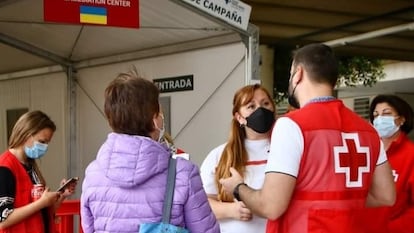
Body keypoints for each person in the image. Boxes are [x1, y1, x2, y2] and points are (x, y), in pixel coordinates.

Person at [219, 43, 396, 233]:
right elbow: (386, 195)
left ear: (298, 74)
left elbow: (271, 206)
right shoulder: (367, 130)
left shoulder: (291, 125)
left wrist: (238, 187)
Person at [80, 69, 219, 233]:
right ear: (154, 120)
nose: (162, 117)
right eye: (160, 113)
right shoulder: (183, 173)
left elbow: (88, 228)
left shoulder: (93, 173)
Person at [200, 84, 276, 233]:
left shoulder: (285, 150)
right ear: (239, 117)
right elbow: (201, 204)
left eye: (265, 103)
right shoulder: (220, 155)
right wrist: (232, 210)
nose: (260, 110)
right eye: (251, 106)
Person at [0, 110, 77, 233]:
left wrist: (61, 195)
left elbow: (42, 212)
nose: (45, 147)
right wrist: (41, 203)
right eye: (42, 141)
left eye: (47, 143)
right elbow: (3, 220)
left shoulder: (30, 166)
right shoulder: (5, 167)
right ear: (26, 134)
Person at [356, 94, 414, 233]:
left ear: (401, 119)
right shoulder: (366, 151)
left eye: (386, 113)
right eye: (376, 115)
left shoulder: (410, 155)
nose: (379, 119)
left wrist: (392, 228)